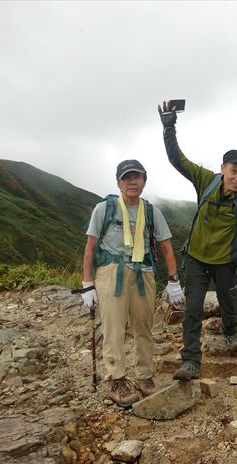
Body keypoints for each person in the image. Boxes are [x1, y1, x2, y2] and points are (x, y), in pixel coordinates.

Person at [158, 100, 237, 381]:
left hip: (226, 260)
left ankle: (231, 332)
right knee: (192, 309)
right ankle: (191, 361)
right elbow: (178, 160)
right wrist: (169, 129)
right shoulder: (205, 180)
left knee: (229, 301)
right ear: (222, 168)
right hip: (196, 258)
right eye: (234, 171)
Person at [81, 159, 184, 407]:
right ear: (118, 183)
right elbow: (90, 247)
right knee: (114, 328)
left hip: (143, 272)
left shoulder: (151, 212)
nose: (132, 182)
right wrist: (87, 282)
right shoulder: (104, 209)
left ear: (144, 181)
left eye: (137, 177)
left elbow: (167, 248)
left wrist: (173, 280)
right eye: (126, 178)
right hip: (111, 272)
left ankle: (145, 376)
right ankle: (117, 380)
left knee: (144, 327)